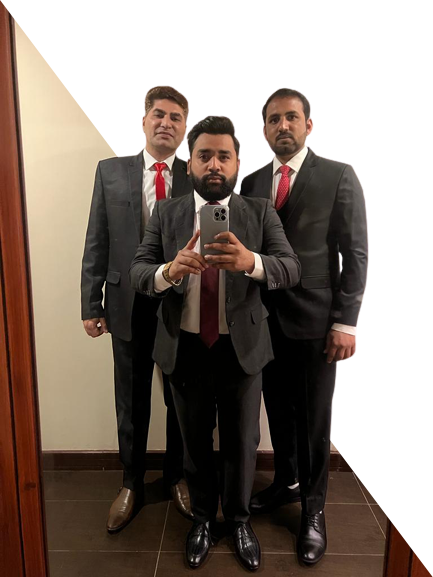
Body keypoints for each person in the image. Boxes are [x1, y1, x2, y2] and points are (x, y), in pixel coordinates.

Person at [130, 115, 301, 571]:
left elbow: (291, 267)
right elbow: (138, 271)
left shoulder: (259, 212)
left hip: (241, 350)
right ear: (189, 163)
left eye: (224, 156)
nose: (214, 165)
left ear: (238, 164)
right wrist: (169, 271)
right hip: (184, 347)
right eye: (204, 155)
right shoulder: (167, 214)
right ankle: (203, 519)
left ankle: (240, 521)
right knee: (194, 443)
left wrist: (252, 262)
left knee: (243, 443)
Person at [240, 88, 368, 566]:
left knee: (314, 420)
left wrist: (346, 321)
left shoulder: (339, 175)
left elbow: (356, 253)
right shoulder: (252, 183)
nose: (283, 126)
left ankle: (314, 511)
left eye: (291, 117)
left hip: (317, 323)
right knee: (278, 411)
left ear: (309, 125)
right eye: (273, 119)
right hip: (263, 321)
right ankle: (285, 482)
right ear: (265, 129)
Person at [81, 85, 193, 533]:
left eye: (176, 117)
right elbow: (97, 239)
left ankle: (178, 477)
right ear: (143, 121)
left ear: (185, 129)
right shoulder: (110, 172)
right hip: (126, 303)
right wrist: (91, 303)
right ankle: (131, 483)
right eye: (158, 115)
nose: (166, 123)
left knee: (179, 399)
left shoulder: (197, 175)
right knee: (130, 400)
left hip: (180, 306)